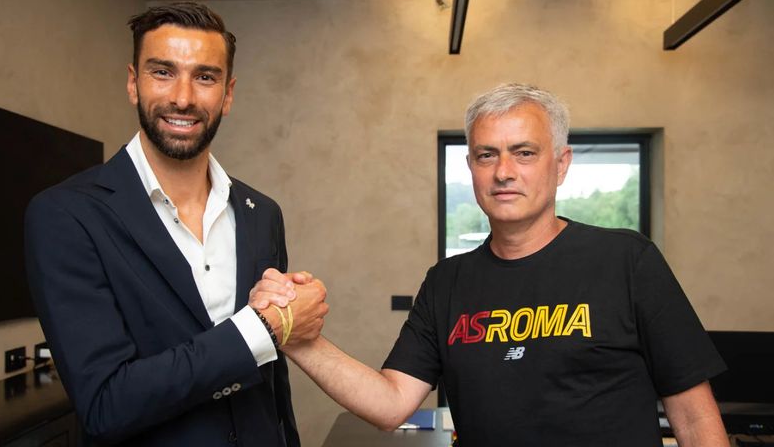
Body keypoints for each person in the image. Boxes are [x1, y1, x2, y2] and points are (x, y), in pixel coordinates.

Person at [252, 83, 729, 446]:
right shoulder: (447, 282)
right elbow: (390, 404)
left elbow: (693, 416)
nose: (503, 172)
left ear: (561, 165)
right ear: (471, 168)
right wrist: (294, 335)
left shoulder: (627, 260)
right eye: (487, 155)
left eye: (524, 153)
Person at [24, 2, 327, 446]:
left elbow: (274, 387)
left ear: (228, 94)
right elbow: (105, 404)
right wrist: (261, 328)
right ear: (134, 83)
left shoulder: (262, 213)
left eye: (205, 77)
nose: (183, 98)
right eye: (163, 72)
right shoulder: (67, 215)